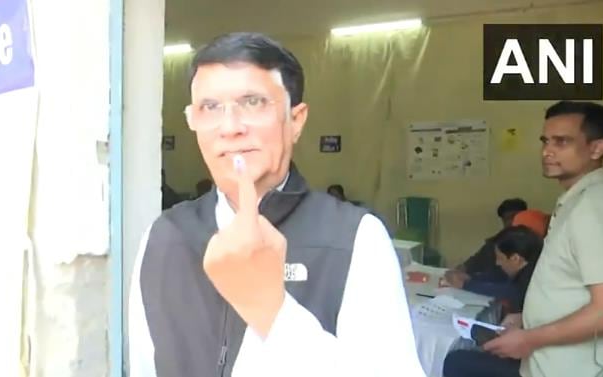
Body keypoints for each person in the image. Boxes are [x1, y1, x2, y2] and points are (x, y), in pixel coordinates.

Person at [128, 32, 425, 377]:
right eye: (210, 107)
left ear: (296, 120)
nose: (230, 128)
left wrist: (272, 309)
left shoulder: (354, 237)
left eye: (253, 102)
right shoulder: (165, 235)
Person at [482, 101, 603, 377]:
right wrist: (527, 321)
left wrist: (531, 339)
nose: (547, 151)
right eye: (545, 141)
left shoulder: (593, 207)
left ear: (597, 148)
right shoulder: (576, 201)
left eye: (562, 142)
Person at [444, 198, 527, 287]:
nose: (510, 222)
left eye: (513, 217)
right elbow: (476, 262)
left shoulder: (532, 245)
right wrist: (461, 271)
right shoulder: (494, 243)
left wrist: (468, 284)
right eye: (506, 219)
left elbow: (512, 288)